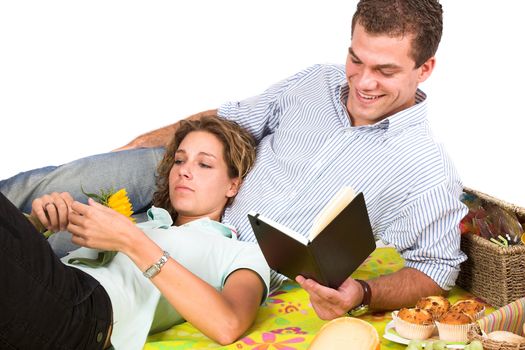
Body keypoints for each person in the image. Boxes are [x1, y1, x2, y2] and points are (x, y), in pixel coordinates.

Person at [0, 0, 467, 320]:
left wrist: (364, 293)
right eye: (356, 59)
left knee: (46, 267)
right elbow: (229, 120)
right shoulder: (316, 82)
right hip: (200, 178)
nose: (363, 82)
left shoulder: (425, 169)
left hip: (219, 256)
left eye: (385, 71)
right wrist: (137, 148)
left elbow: (433, 268)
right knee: (49, 190)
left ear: (425, 68)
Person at [0, 116, 270, 349]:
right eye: (179, 160)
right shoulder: (147, 222)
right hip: (47, 293)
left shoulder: (243, 252)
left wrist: (130, 241)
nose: (184, 171)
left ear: (233, 185)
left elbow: (228, 324)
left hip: (85, 316)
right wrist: (35, 224)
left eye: (204, 164)